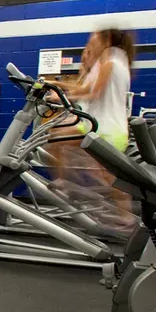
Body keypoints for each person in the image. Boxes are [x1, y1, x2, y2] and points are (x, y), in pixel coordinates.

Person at [46, 28, 137, 229]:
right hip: (95, 125)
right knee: (55, 139)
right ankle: (65, 184)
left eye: (93, 41)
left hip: (105, 129)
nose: (90, 44)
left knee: (109, 176)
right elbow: (85, 89)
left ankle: (126, 218)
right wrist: (55, 84)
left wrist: (62, 98)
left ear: (106, 41)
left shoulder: (111, 63)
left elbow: (93, 93)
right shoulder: (111, 62)